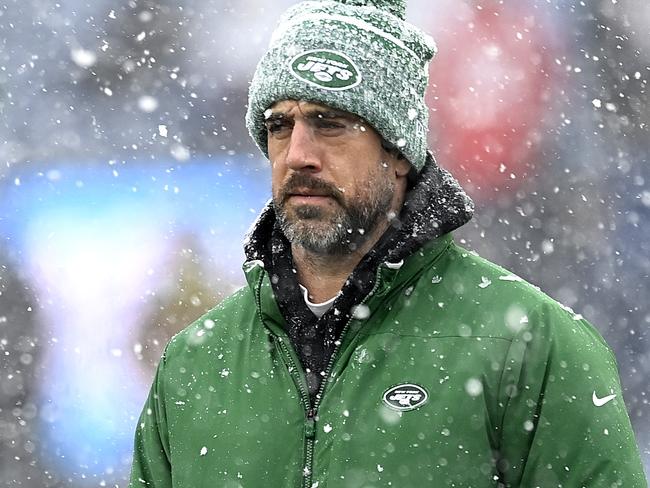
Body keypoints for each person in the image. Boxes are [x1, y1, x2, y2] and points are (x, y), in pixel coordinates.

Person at [129, 0, 647, 486]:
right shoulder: (193, 365)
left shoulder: (530, 345)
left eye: (329, 123)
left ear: (398, 151)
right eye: (279, 125)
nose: (298, 153)